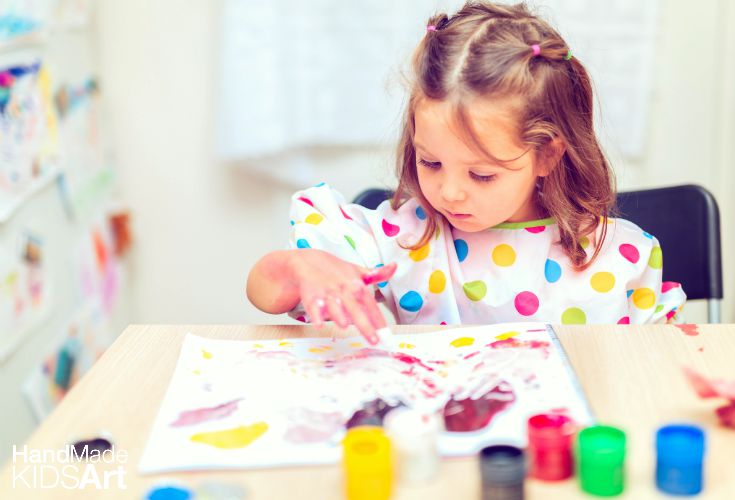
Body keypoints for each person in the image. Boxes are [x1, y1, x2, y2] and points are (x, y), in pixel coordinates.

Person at [247, 1, 686, 344]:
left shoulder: (621, 257)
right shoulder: (401, 237)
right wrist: (300, 266)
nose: (449, 193)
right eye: (431, 163)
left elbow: (651, 362)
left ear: (548, 155)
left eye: (482, 175)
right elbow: (266, 294)